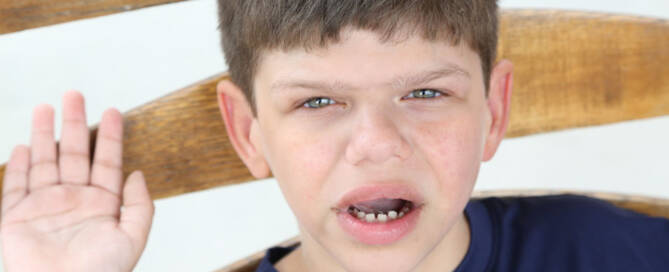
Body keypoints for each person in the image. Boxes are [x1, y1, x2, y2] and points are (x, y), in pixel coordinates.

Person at [2, 0, 668, 271]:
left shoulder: (611, 250)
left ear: (493, 110)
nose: (376, 142)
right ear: (248, 131)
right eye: (319, 100)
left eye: (426, 93)